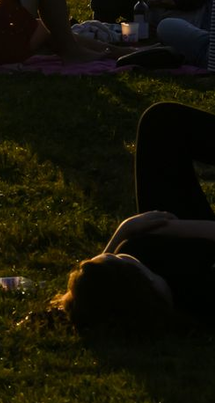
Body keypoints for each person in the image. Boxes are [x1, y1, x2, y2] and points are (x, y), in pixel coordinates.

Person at [51, 102, 215, 328]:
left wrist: (124, 230)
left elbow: (92, 284)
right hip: (195, 238)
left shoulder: (132, 266)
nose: (112, 252)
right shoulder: (200, 294)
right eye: (114, 257)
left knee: (160, 122)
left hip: (179, 233)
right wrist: (171, 229)